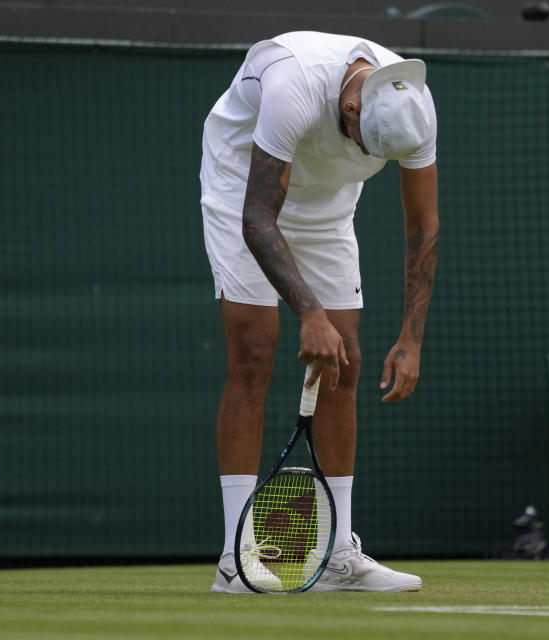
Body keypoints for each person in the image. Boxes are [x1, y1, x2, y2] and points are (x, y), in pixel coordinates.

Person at [200, 31, 438, 592]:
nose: (368, 156)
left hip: (328, 207)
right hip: (244, 187)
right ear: (350, 106)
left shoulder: (413, 105)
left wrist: (411, 336)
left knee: (345, 363)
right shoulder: (294, 85)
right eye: (363, 143)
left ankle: (336, 555)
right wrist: (309, 312)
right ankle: (236, 559)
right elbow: (258, 218)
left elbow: (422, 226)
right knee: (254, 354)